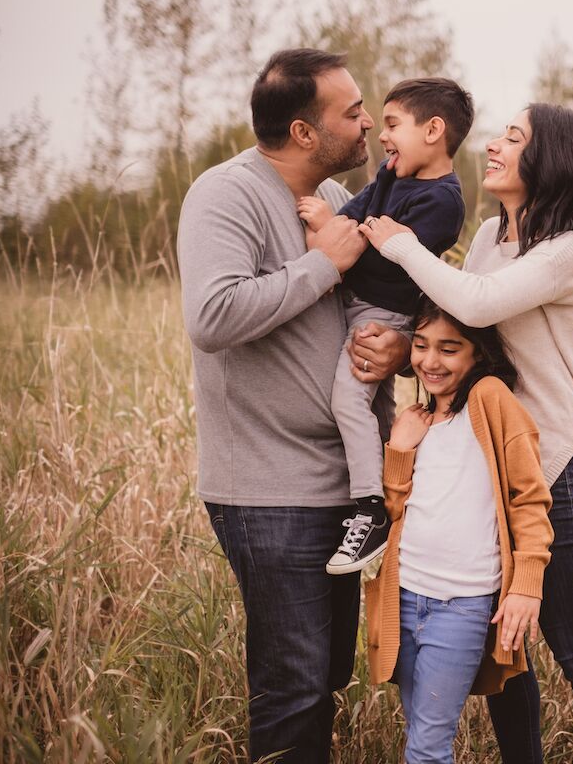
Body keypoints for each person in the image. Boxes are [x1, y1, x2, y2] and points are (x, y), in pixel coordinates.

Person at [359, 103, 573, 763]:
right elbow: (471, 336)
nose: (492, 145)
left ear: (550, 161)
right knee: (505, 650)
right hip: (485, 465)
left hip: (549, 468)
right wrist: (408, 347)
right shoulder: (492, 236)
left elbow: (478, 303)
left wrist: (399, 242)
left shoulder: (569, 250)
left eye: (513, 138)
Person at [176, 47, 410, 763]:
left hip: (342, 486)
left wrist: (395, 353)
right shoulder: (226, 194)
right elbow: (213, 316)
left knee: (324, 677)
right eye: (353, 111)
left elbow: (355, 317)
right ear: (305, 132)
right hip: (269, 490)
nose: (369, 122)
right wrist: (323, 264)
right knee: (294, 684)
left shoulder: (339, 203)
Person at [363, 295, 553, 764]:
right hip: (403, 597)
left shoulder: (490, 402)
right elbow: (394, 510)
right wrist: (400, 451)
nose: (430, 360)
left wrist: (527, 584)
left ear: (477, 353)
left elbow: (529, 499)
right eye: (421, 345)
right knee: (420, 734)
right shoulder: (419, 420)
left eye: (449, 349)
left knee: (427, 747)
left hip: (461, 605)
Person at [296, 77, 474, 577]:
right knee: (372, 408)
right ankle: (395, 498)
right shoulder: (391, 174)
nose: (383, 136)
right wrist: (336, 228)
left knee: (348, 400)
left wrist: (339, 236)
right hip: (356, 302)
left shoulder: (443, 201)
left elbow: (395, 261)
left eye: (393, 124)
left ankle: (370, 510)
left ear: (434, 129)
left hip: (382, 314)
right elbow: (353, 222)